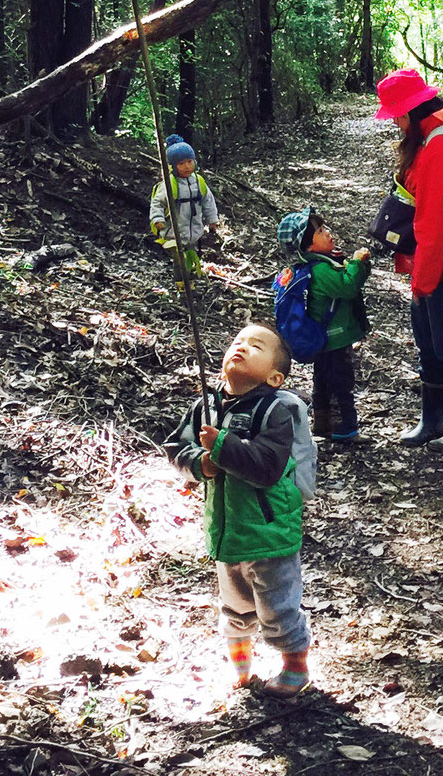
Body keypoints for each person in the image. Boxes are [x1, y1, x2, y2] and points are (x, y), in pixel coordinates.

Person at [164, 323, 317, 696]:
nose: (243, 347)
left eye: (257, 346)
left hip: (270, 530)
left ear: (275, 377)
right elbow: (176, 447)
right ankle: (241, 667)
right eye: (238, 342)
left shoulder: (276, 410)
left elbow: (266, 467)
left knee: (278, 606)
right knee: (234, 606)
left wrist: (222, 447)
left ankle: (295, 666)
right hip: (226, 528)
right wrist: (201, 463)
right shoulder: (206, 405)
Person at [374, 68, 443, 451]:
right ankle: (432, 421)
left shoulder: (439, 144)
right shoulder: (435, 134)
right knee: (430, 344)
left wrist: (423, 281)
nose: (396, 123)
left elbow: (436, 222)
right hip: (433, 263)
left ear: (412, 110)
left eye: (397, 115)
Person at [277, 208, 372, 444]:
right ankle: (345, 428)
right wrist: (357, 264)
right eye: (320, 231)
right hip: (334, 338)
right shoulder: (321, 270)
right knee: (341, 382)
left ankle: (323, 424)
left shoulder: (312, 267)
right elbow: (347, 286)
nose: (327, 232)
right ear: (308, 246)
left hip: (322, 338)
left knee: (323, 380)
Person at [148, 134, 220, 292]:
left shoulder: (198, 181)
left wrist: (212, 220)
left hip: (194, 231)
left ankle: (190, 283)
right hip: (175, 232)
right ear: (173, 166)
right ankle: (182, 286)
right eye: (181, 163)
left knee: (192, 257)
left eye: (189, 161)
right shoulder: (169, 184)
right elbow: (157, 203)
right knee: (180, 260)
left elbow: (208, 201)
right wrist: (158, 219)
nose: (187, 166)